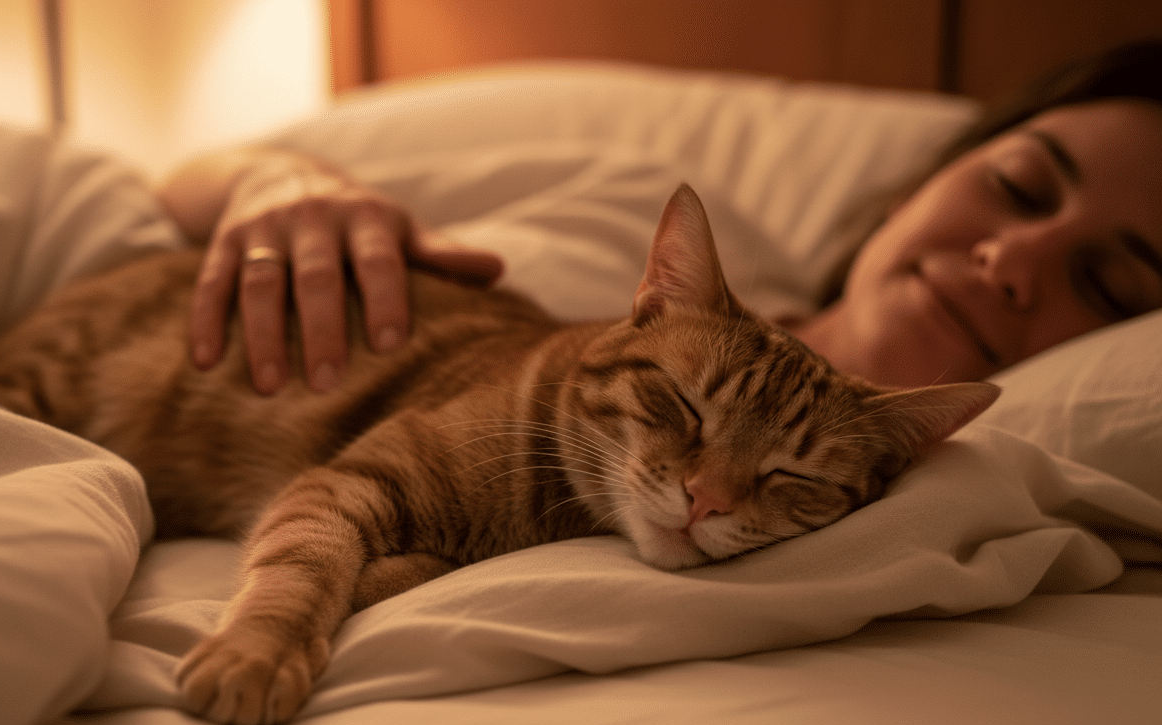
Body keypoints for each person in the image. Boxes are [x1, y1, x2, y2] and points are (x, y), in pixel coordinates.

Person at [160, 40, 1162, 393]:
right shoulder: (661, 214)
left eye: (1111, 284)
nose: (1013, 259)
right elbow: (180, 186)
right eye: (1021, 188)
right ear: (919, 184)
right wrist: (280, 186)